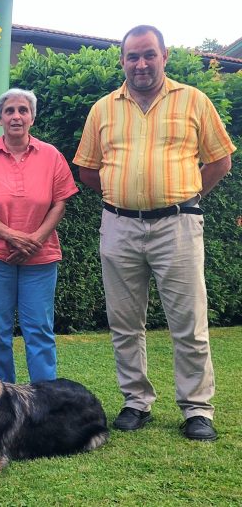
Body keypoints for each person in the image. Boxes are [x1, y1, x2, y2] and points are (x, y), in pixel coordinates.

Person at [74, 25, 236, 441]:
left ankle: (197, 409)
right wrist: (123, 197)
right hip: (120, 225)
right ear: (122, 61)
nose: (141, 64)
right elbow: (87, 170)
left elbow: (220, 161)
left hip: (178, 225)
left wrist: (183, 194)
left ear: (164, 56)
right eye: (132, 56)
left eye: (149, 55)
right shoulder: (103, 108)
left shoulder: (194, 101)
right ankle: (135, 401)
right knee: (124, 322)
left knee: (189, 322)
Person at [0, 89, 78, 384]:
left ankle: (45, 400)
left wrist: (34, 239)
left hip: (40, 257)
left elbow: (60, 202)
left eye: (23, 110)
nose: (16, 116)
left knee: (38, 329)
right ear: (0, 118)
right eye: (9, 111)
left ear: (32, 118)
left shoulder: (51, 156)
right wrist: (12, 236)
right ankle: (0, 399)